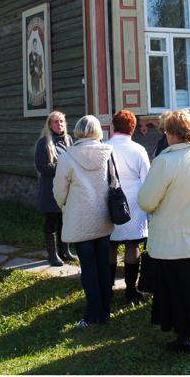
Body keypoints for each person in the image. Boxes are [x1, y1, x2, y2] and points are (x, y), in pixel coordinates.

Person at [138, 110, 190, 352]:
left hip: (174, 235)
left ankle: (184, 336)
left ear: (172, 133)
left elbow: (146, 201)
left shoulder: (165, 161)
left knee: (178, 288)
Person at [53, 115, 115, 327]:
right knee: (103, 264)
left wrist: (64, 206)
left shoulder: (68, 156)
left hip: (80, 218)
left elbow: (59, 190)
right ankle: (105, 310)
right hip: (103, 216)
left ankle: (92, 314)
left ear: (78, 130)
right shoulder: (108, 153)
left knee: (88, 267)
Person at [107, 110, 151, 302]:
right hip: (133, 202)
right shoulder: (138, 150)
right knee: (132, 244)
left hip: (111, 200)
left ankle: (107, 287)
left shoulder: (104, 147)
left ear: (113, 125)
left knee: (111, 245)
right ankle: (131, 290)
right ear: (132, 128)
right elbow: (147, 179)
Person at [34, 111, 75, 266]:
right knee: (51, 221)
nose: (60, 124)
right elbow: (41, 166)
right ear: (50, 125)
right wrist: (62, 169)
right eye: (56, 122)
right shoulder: (43, 142)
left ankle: (65, 251)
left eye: (62, 121)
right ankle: (53, 255)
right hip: (50, 189)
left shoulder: (68, 140)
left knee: (64, 221)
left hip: (66, 188)